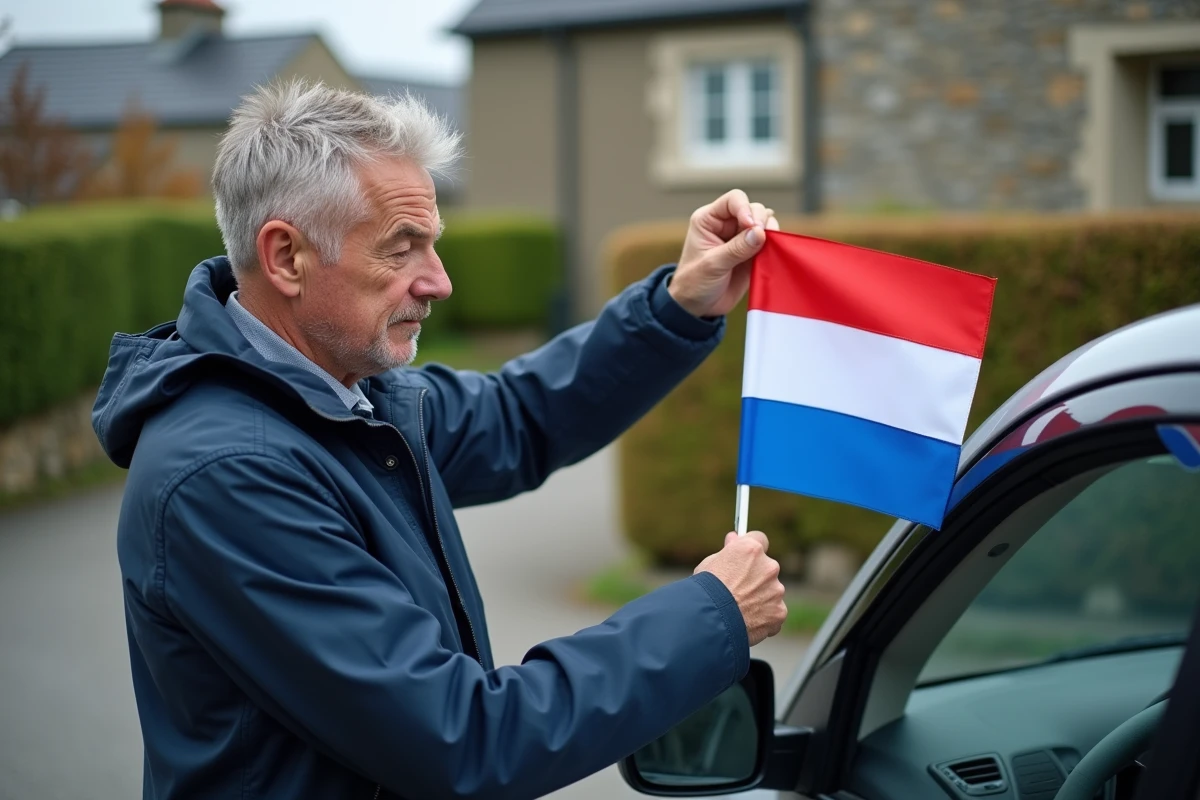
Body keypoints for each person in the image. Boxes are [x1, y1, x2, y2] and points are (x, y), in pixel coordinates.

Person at [93, 80, 787, 800]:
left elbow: (522, 415)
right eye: (403, 247)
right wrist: (710, 616)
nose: (441, 281)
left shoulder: (349, 392)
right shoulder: (232, 475)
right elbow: (462, 741)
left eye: (435, 243)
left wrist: (678, 307)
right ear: (286, 257)